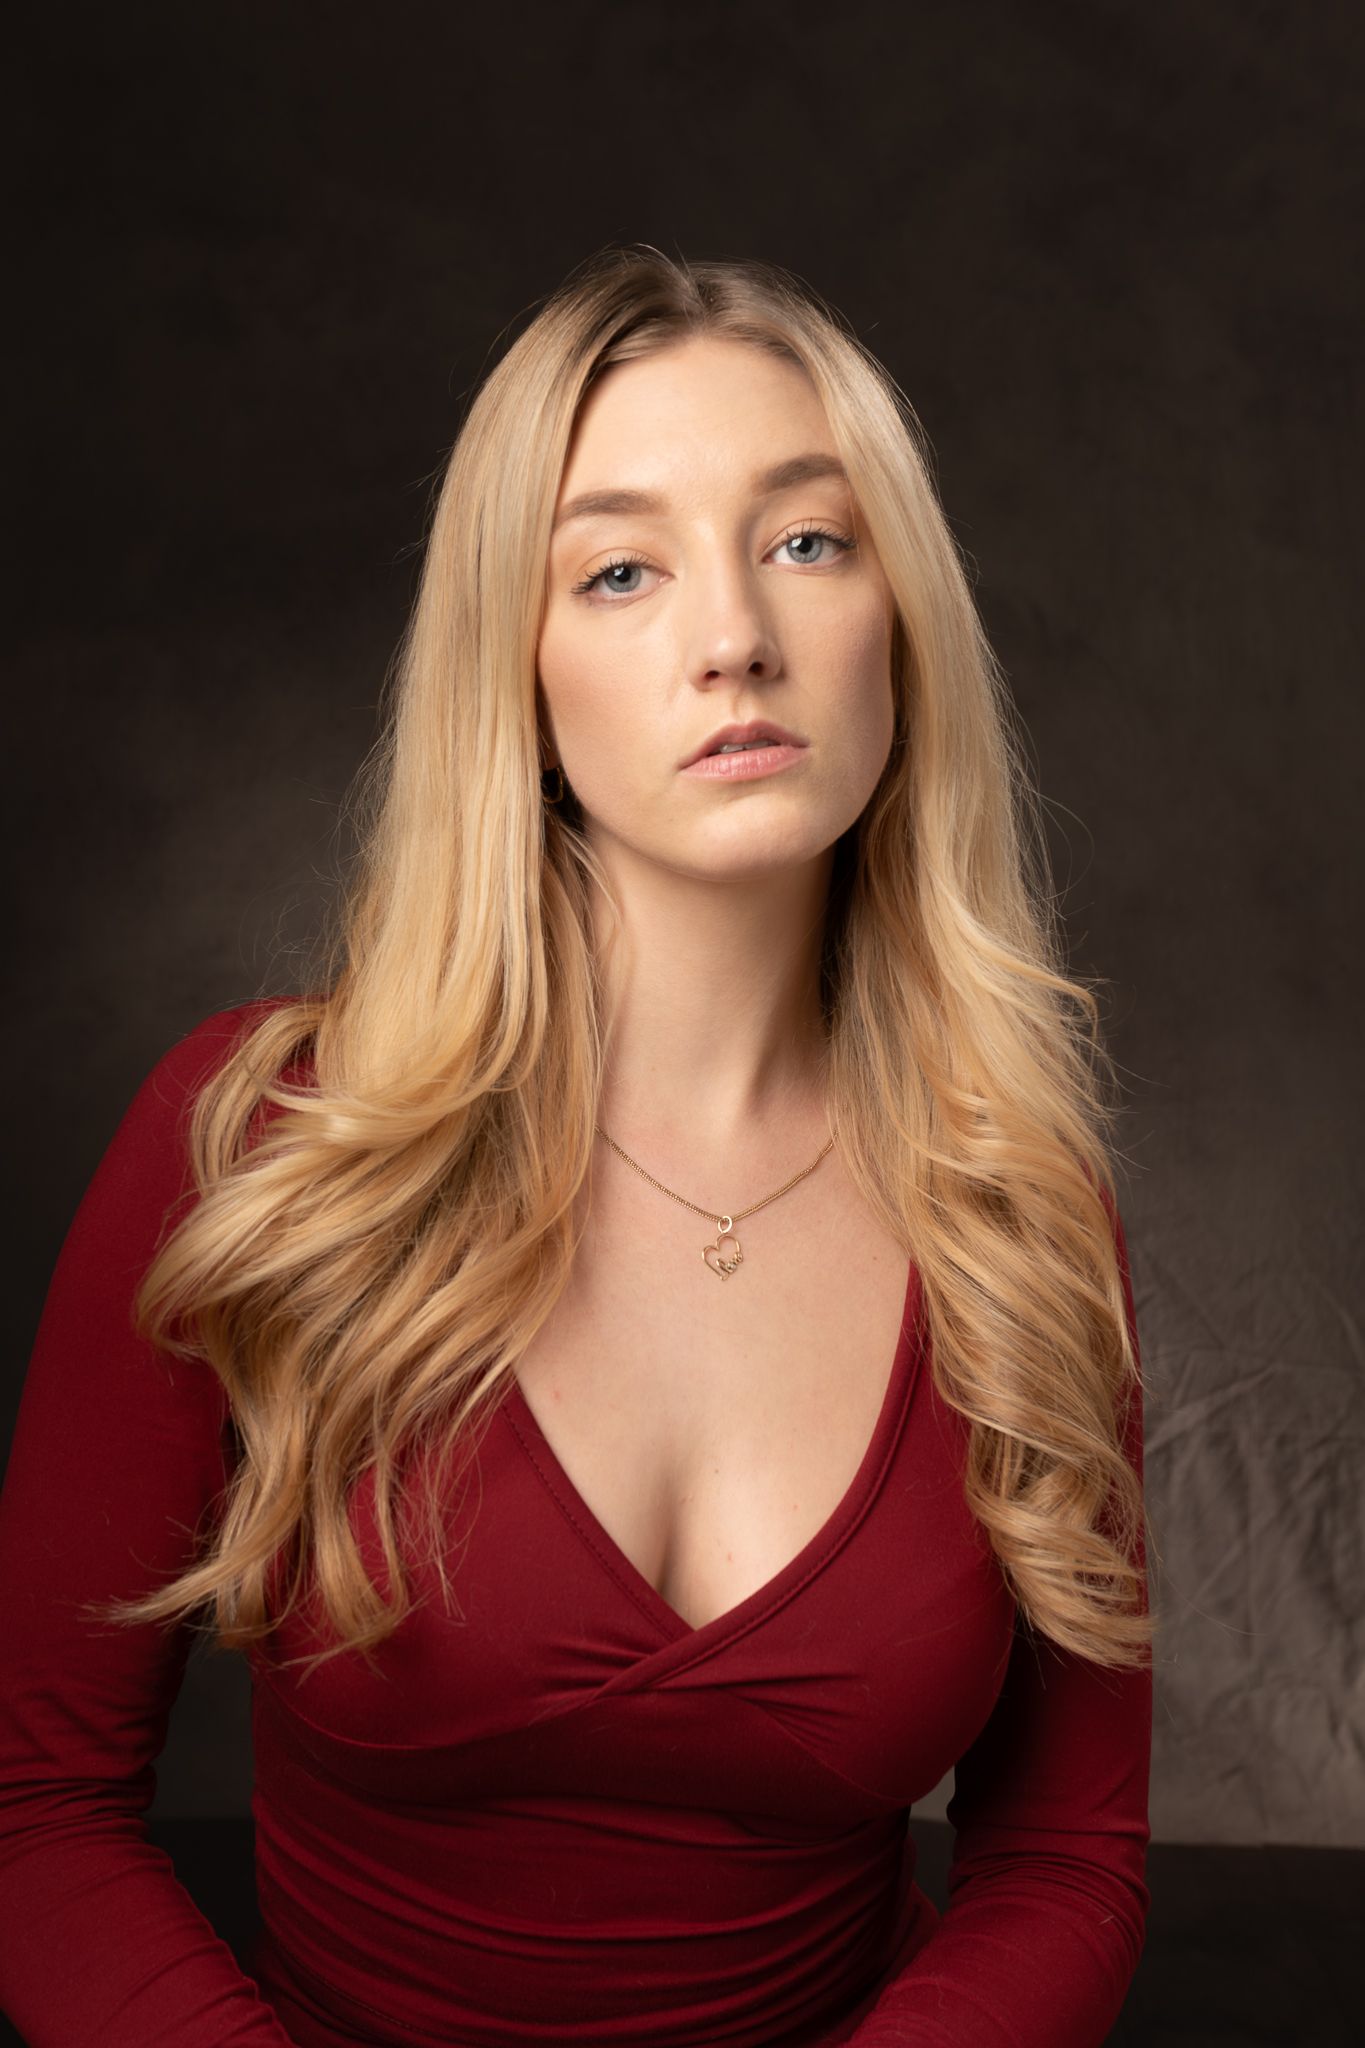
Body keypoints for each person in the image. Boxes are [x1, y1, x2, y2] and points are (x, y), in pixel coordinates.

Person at [0, 246, 1154, 2047]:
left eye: (806, 540)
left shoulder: (1023, 1220)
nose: (733, 638)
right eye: (620, 569)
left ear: (901, 621)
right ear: (515, 677)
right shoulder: (256, 1143)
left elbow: (1066, 1857)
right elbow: (36, 1815)